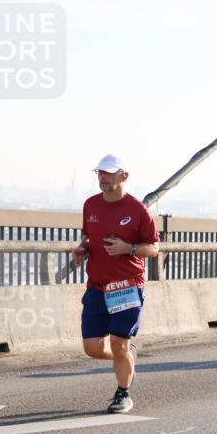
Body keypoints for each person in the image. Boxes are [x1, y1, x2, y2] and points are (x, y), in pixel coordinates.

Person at [72, 154, 160, 413]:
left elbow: (153, 249)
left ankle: (123, 394)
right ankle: (126, 356)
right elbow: (88, 237)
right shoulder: (90, 205)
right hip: (97, 286)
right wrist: (81, 250)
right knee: (92, 348)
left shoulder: (138, 210)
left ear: (124, 176)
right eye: (100, 173)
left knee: (118, 344)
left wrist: (128, 248)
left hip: (126, 287)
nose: (103, 178)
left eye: (109, 173)